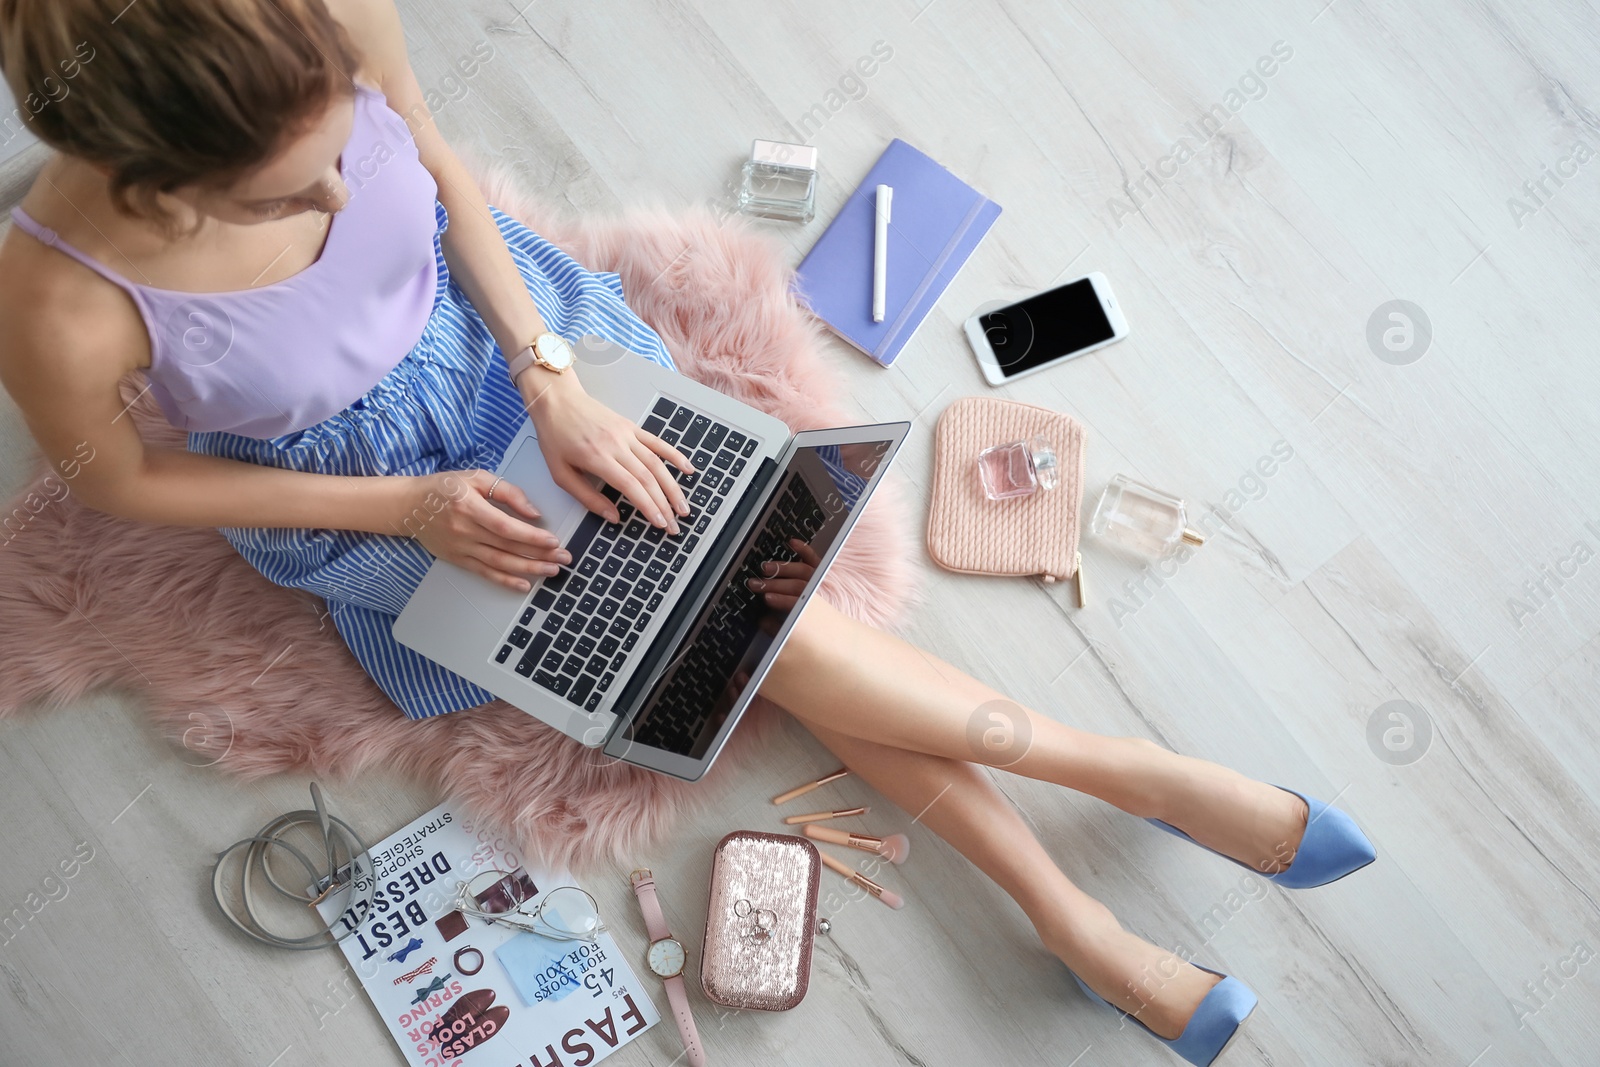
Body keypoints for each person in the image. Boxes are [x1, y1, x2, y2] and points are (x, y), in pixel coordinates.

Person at [0, 2, 1374, 1062]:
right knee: (757, 628)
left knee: (740, 616)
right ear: (156, 187)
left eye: (332, 159)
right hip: (366, 489)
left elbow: (443, 181)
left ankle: (1085, 889)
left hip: (514, 352)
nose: (342, 204)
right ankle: (1117, 807)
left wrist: (545, 374)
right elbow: (116, 484)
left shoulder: (321, 24)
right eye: (282, 199)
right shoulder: (57, 297)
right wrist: (405, 510)